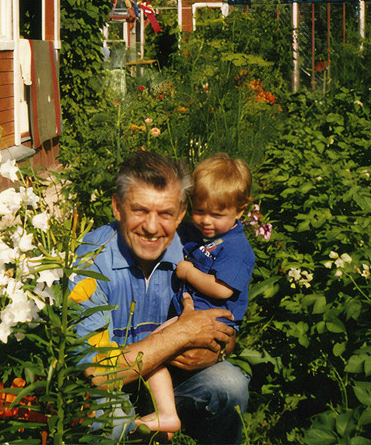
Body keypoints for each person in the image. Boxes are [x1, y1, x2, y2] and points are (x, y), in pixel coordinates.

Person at [72, 151, 250, 444]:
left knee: (230, 386)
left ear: (181, 214)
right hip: (107, 390)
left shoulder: (192, 252)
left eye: (166, 214)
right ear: (118, 207)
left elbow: (227, 323)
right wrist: (181, 335)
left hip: (169, 381)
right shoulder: (89, 261)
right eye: (140, 210)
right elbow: (98, 373)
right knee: (111, 422)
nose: (152, 228)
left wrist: (217, 349)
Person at [135, 153, 255, 437]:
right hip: (190, 317)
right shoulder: (195, 233)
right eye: (199, 211)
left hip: (211, 324)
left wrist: (188, 273)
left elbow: (223, 289)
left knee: (151, 349)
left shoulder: (236, 248)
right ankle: (163, 412)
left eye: (217, 214)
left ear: (240, 211)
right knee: (154, 351)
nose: (205, 221)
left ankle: (166, 414)